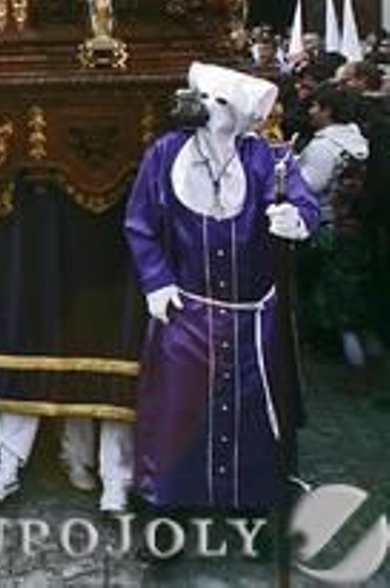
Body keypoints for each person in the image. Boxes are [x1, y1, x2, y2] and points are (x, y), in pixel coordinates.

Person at [124, 62, 318, 519]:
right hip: (185, 315)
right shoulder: (165, 154)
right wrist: (156, 280)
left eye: (218, 101)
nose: (205, 107)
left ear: (240, 115)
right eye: (203, 97)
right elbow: (140, 224)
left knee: (252, 416)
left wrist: (298, 220)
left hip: (253, 322)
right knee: (177, 413)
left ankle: (249, 509)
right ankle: (166, 507)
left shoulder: (270, 159)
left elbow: (305, 203)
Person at [295, 82, 374, 390]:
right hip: (357, 227)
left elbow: (307, 186)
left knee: (339, 301)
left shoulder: (323, 147)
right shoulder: (358, 139)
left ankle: (356, 367)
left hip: (328, 228)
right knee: (356, 298)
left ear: (328, 110)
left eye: (315, 106)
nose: (311, 111)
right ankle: (370, 361)